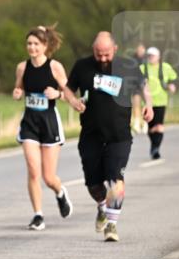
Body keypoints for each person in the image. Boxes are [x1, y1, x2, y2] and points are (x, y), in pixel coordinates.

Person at [63, 32, 154, 242]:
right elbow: (68, 89)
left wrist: (148, 105)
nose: (102, 58)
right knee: (93, 185)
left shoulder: (128, 66)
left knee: (116, 180)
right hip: (91, 135)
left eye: (106, 54)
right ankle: (102, 207)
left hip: (119, 136)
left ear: (115, 49)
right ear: (93, 50)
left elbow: (143, 87)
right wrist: (73, 101)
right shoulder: (82, 66)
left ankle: (112, 225)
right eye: (98, 54)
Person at [13, 24, 73, 231]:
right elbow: (19, 87)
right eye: (29, 44)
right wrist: (17, 93)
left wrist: (57, 94)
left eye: (36, 44)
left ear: (45, 45)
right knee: (33, 171)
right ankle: (38, 215)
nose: (32, 48)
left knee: (48, 177)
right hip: (29, 122)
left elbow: (69, 94)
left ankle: (60, 192)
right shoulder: (22, 67)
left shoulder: (55, 67)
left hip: (49, 122)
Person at [140, 46, 177, 159]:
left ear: (159, 57)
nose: (151, 57)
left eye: (153, 55)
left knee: (159, 126)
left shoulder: (165, 67)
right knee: (151, 127)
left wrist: (172, 85)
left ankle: (155, 149)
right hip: (146, 103)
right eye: (149, 55)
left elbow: (174, 78)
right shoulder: (142, 68)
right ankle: (154, 146)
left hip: (161, 100)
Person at [131, 43, 147, 134]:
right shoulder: (133, 60)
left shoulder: (147, 60)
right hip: (136, 85)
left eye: (142, 49)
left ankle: (145, 123)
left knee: (145, 104)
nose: (140, 51)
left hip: (145, 85)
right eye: (139, 49)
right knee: (136, 104)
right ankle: (136, 123)